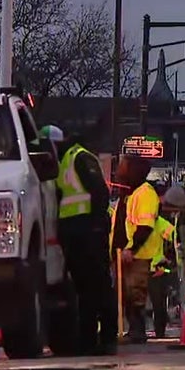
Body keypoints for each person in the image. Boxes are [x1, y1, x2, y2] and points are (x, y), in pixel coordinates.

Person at [53, 127, 117, 356]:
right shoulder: (73, 159)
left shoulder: (73, 159)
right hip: (82, 231)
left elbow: (96, 192)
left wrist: (95, 224)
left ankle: (101, 338)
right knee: (90, 288)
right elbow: (95, 193)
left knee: (93, 286)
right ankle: (94, 339)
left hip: (82, 230)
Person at [119, 155, 160, 344]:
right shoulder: (134, 194)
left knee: (136, 294)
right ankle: (134, 330)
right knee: (129, 294)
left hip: (139, 255)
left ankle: (138, 330)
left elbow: (145, 227)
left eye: (124, 167)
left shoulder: (145, 193)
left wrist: (132, 249)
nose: (120, 171)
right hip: (131, 254)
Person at [148, 216, 176, 338]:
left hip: (156, 269)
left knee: (158, 303)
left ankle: (159, 331)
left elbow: (174, 237)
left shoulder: (159, 222)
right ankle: (137, 330)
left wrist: (167, 261)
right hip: (142, 266)